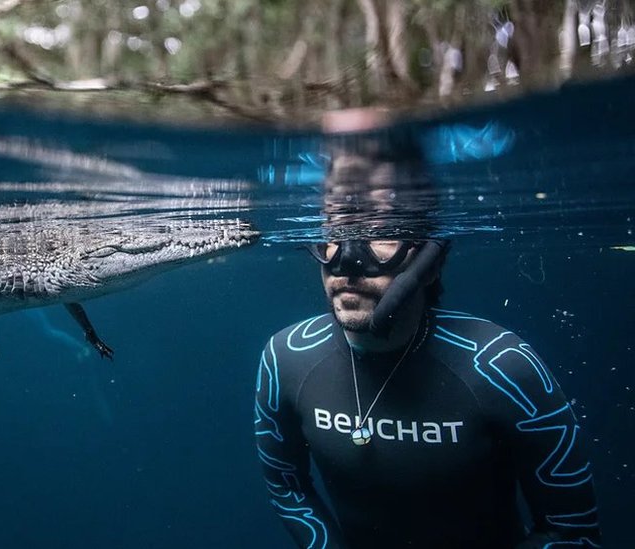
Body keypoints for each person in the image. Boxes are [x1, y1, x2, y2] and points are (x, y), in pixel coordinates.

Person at [254, 120, 601, 548]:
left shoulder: (503, 368)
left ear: (431, 262)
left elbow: (573, 531)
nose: (347, 259)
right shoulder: (285, 358)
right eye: (335, 228)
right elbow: (287, 487)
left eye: (383, 230)